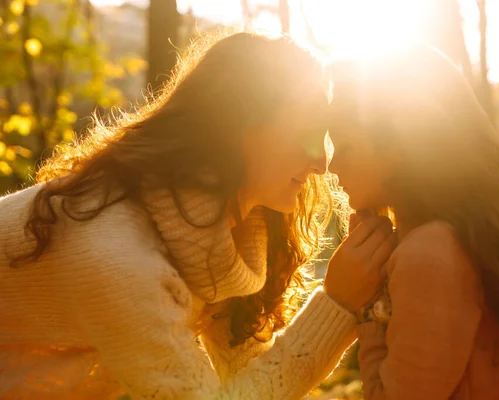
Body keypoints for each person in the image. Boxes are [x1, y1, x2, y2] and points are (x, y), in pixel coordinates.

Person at [0, 32, 393, 399]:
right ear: (238, 130)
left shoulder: (220, 227)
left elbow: (249, 378)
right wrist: (337, 302)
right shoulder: (116, 257)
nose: (321, 163)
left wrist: (343, 303)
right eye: (304, 132)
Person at [326, 44, 499, 399]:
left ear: (396, 147)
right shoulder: (465, 234)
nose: (333, 168)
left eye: (345, 147)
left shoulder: (429, 254)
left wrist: (368, 310)